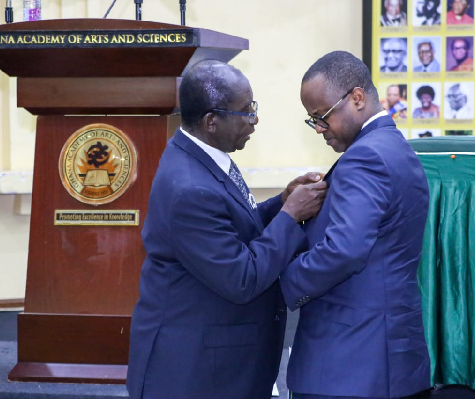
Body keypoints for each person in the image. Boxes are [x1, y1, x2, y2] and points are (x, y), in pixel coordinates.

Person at [126, 60, 327, 399]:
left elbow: (234, 225)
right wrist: (291, 217)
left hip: (215, 361)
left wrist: (282, 201)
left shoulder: (201, 155)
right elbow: (241, 278)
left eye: (253, 107)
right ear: (211, 121)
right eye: (246, 112)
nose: (254, 119)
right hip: (196, 374)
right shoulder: (190, 188)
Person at [281, 50, 431, 398]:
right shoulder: (395, 147)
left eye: (322, 116)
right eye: (312, 120)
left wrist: (280, 280)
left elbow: (343, 251)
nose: (319, 128)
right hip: (390, 359)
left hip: (349, 365)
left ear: (357, 98)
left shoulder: (364, 158)